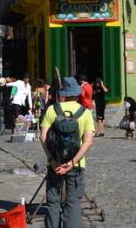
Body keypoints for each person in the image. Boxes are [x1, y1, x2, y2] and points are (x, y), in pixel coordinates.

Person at [40, 77, 94, 228]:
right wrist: (72, 162)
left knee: (53, 202)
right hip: (76, 165)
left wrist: (52, 160)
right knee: (73, 204)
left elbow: (42, 136)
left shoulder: (52, 109)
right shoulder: (86, 113)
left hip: (55, 163)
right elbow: (88, 141)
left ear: (63, 94)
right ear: (77, 94)